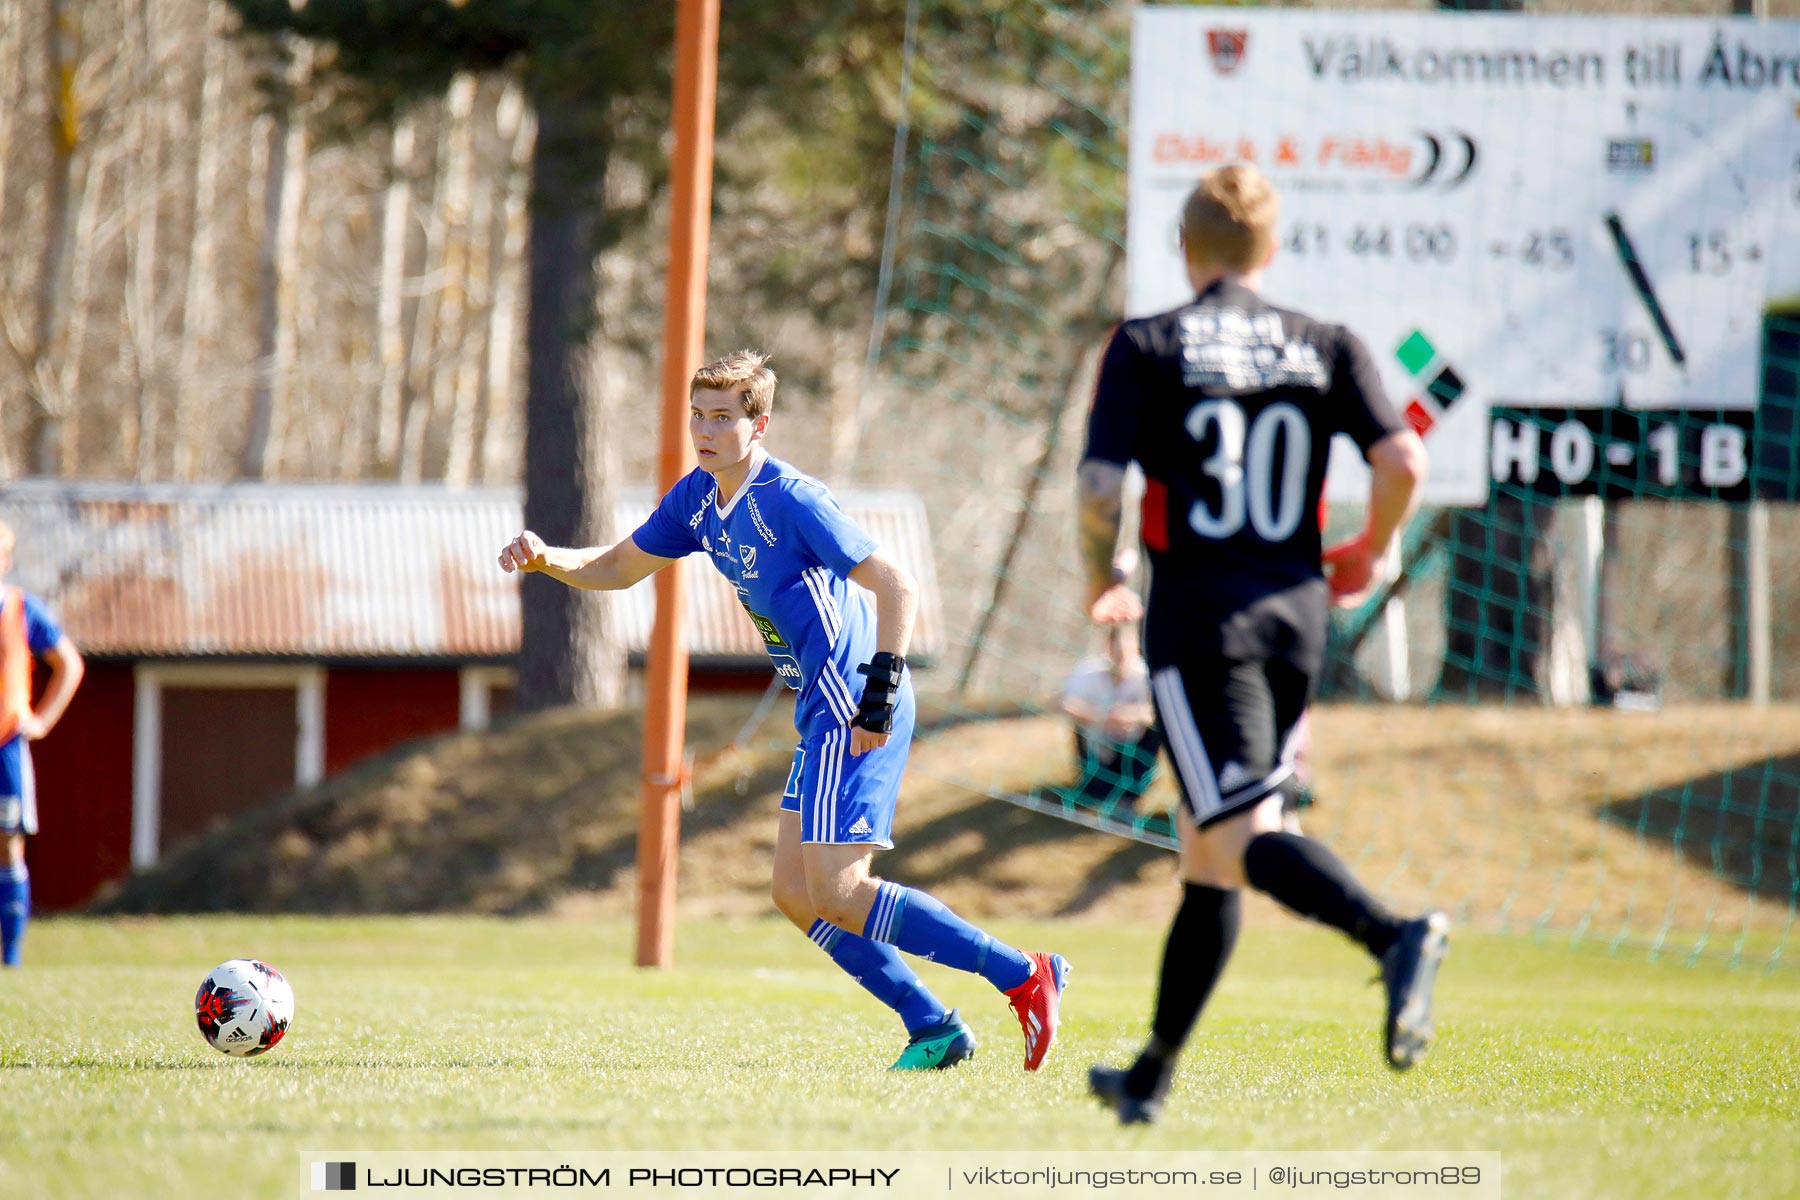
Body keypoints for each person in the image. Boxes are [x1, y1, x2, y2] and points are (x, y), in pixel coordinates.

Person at [499, 350, 1070, 1072]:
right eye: (697, 416)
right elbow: (618, 566)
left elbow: (897, 585)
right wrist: (548, 555)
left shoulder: (794, 497)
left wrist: (881, 695)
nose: (704, 431)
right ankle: (933, 1025)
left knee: (839, 889)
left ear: (759, 424)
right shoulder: (697, 500)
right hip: (821, 705)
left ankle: (1023, 973)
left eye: (722, 418)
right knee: (796, 893)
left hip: (853, 698)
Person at [1075, 164, 1448, 1124]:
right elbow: (1403, 455)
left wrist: (1102, 574)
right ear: (1267, 253)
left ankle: (1392, 933)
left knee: (1241, 832)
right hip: (1297, 621)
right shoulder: (1324, 342)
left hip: (1202, 622)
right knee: (1209, 849)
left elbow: (1098, 488)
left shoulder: (1149, 343)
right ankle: (1150, 1074)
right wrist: (1375, 545)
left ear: (1188, 252)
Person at [0, 521, 86, 967]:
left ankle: (10, 956)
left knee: (8, 842)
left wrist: (44, 719)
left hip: (6, 745)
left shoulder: (20, 609)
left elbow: (69, 663)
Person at [1060, 618, 1159, 812]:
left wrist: (1131, 715)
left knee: (1156, 732)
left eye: (1128, 649)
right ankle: (1094, 787)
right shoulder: (1089, 672)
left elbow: (1158, 711)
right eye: (1118, 648)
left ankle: (1130, 796)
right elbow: (1063, 703)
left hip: (1133, 746)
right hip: (1098, 744)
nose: (1122, 655)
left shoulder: (1144, 675)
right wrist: (1103, 718)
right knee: (1097, 793)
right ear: (1109, 647)